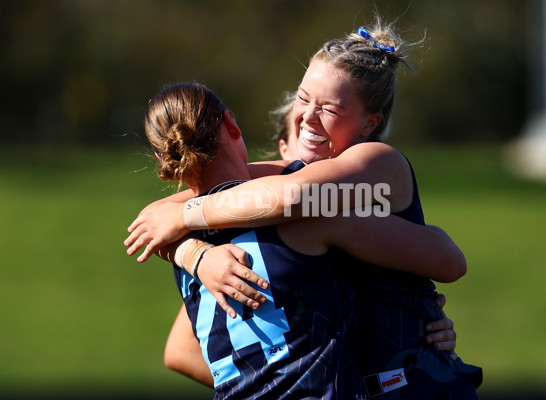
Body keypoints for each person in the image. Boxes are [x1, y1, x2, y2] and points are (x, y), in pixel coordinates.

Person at [127, 18, 482, 398]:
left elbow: (292, 197)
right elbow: (192, 198)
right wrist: (195, 254)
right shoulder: (276, 198)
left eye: (329, 108)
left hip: (416, 387)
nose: (308, 118)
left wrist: (184, 222)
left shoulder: (377, 163)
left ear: (369, 123)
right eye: (303, 97)